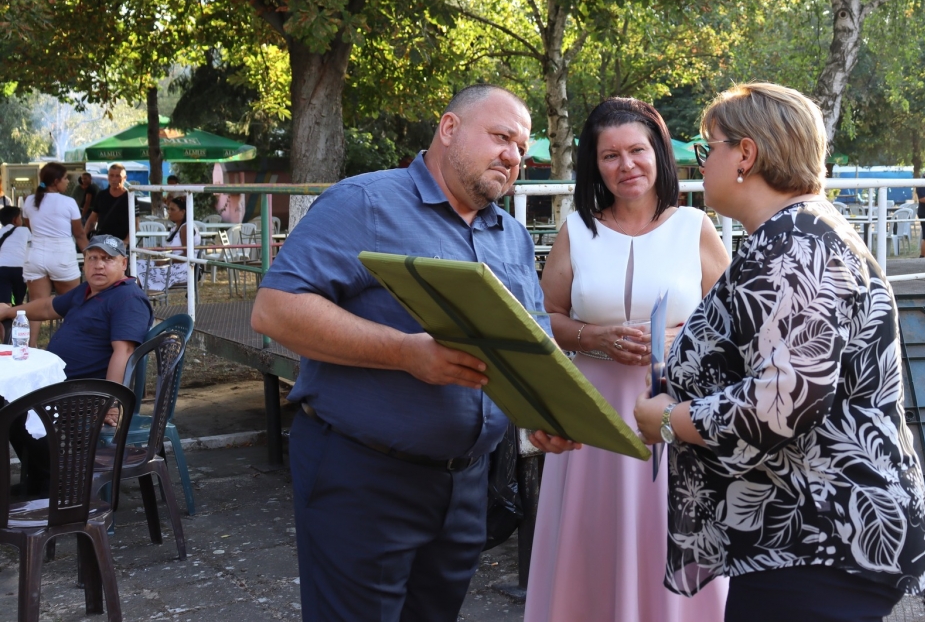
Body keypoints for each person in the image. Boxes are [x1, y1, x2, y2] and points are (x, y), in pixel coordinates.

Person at [250, 84, 577, 622]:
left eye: (521, 148)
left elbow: (532, 348)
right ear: (449, 129)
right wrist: (406, 353)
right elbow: (275, 310)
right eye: (501, 137)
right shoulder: (365, 202)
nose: (513, 156)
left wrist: (544, 413)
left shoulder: (511, 237)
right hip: (364, 476)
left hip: (467, 484)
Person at [633, 83, 925, 622]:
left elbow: (784, 402)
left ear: (745, 155)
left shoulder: (795, 243)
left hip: (818, 537)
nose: (701, 163)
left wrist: (669, 420)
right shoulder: (798, 233)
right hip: (810, 534)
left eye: (708, 148)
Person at [525, 99, 729, 622]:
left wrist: (684, 338)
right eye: (610, 155)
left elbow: (733, 325)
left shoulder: (694, 226)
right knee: (592, 538)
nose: (626, 165)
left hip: (675, 414)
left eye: (637, 150)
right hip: (592, 415)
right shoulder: (577, 230)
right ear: (595, 165)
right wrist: (594, 336)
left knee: (669, 533)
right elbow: (544, 318)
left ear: (658, 153)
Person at [0, 235, 153, 495]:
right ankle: (43, 483)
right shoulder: (87, 291)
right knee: (8, 401)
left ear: (123, 263)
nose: (99, 265)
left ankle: (53, 486)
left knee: (10, 406)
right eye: (93, 258)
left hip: (84, 393)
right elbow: (48, 306)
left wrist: (111, 402)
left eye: (107, 259)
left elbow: (124, 351)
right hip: (59, 385)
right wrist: (9, 311)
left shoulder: (127, 298)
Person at [21, 162, 89, 345]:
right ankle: (71, 345)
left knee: (36, 304)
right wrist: (90, 256)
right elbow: (80, 234)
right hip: (62, 254)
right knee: (73, 304)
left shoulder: (29, 201)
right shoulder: (68, 202)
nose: (68, 182)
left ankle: (31, 347)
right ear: (56, 181)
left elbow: (29, 226)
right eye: (65, 178)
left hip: (35, 254)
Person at [137, 196, 193, 293]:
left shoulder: (186, 228)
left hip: (182, 269)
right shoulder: (175, 228)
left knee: (140, 269)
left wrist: (166, 261)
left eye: (172, 209)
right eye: (168, 209)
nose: (169, 212)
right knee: (138, 264)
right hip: (172, 264)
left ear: (183, 212)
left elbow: (187, 255)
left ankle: (143, 295)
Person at [86, 163, 131, 244]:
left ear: (124, 178)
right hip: (102, 241)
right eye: (111, 175)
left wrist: (126, 241)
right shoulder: (101, 195)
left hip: (121, 242)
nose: (114, 179)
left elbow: (135, 224)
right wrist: (84, 240)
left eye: (118, 176)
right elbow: (92, 220)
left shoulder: (130, 197)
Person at [0, 206, 30, 306]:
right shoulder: (25, 231)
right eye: (20, 217)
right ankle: (18, 314)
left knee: (4, 302)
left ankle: (5, 315)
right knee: (19, 302)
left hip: (2, 269)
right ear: (15, 220)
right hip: (20, 269)